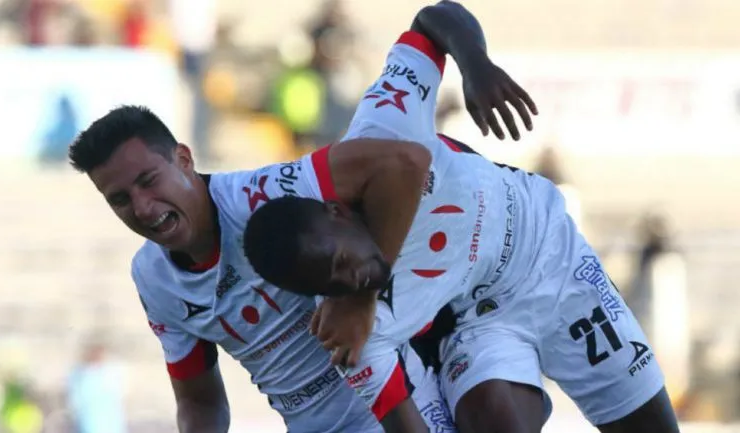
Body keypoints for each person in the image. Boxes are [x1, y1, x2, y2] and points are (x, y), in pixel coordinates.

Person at [67, 4, 536, 433]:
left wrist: (362, 297)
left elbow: (402, 161)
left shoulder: (274, 195)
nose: (142, 207)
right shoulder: (153, 277)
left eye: (149, 181)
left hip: (409, 401)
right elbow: (200, 401)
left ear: (184, 159)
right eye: (120, 199)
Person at [242, 2, 681, 433]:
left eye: (341, 260)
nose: (353, 278)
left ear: (337, 212)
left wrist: (475, 64)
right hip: (478, 321)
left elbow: (436, 16)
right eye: (332, 284)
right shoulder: (352, 327)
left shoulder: (383, 131)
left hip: (551, 256)